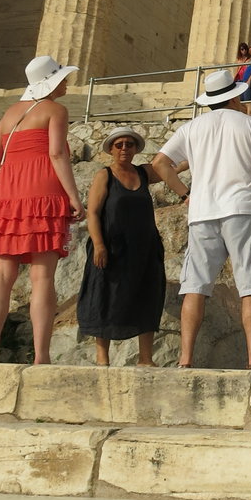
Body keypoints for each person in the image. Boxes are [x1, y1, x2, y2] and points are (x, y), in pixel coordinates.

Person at [151, 68, 251, 369]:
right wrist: (246, 178)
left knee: (195, 285)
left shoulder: (192, 128)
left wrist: (185, 194)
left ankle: (185, 359)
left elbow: (160, 163)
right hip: (242, 209)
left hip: (202, 212)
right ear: (234, 97)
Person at [0, 55, 86, 364]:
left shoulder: (10, 113)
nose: (67, 82)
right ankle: (41, 356)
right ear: (51, 82)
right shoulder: (56, 110)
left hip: (6, 198)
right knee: (42, 278)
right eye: (63, 78)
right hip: (44, 196)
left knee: (1, 276)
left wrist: (11, 178)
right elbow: (55, 154)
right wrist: (74, 197)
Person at [77, 126, 177, 366]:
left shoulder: (143, 173)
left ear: (135, 149)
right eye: (119, 144)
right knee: (105, 295)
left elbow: (171, 169)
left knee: (147, 295)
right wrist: (99, 245)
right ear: (111, 148)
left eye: (129, 144)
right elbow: (92, 212)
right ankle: (102, 357)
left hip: (144, 248)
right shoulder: (105, 175)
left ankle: (146, 357)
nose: (124, 148)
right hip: (111, 247)